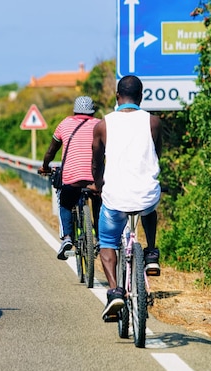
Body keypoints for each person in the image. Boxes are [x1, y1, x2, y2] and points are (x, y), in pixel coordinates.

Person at [91, 75, 162, 321]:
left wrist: (100, 186)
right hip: (146, 195)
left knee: (108, 241)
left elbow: (96, 162)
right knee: (150, 207)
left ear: (117, 97)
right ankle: (151, 253)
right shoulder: (153, 122)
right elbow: (156, 156)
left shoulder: (103, 125)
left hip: (115, 197)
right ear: (141, 97)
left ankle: (114, 291)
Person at [38, 96, 102, 260]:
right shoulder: (100, 125)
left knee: (65, 203)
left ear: (74, 110)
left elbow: (51, 151)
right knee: (98, 201)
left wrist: (45, 166)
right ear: (92, 111)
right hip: (95, 178)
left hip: (72, 178)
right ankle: (100, 237)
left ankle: (67, 237)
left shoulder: (65, 123)